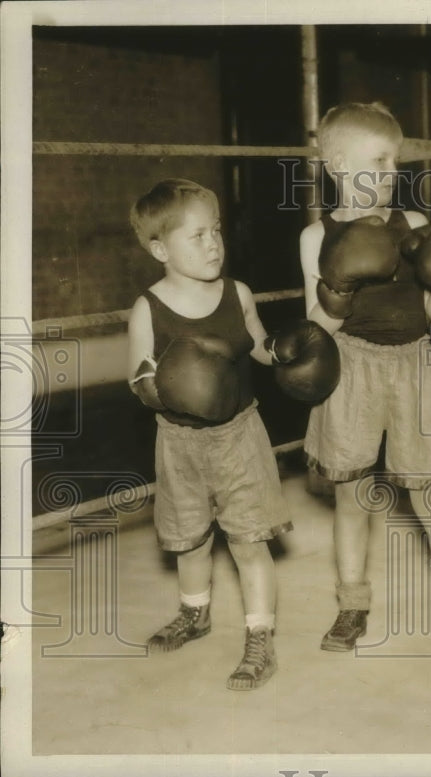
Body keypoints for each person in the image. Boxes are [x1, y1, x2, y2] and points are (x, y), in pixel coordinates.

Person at [300, 102, 431, 667]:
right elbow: (317, 328)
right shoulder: (317, 237)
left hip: (413, 365)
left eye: (395, 162)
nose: (391, 174)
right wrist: (340, 283)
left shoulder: (411, 225)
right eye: (377, 161)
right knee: (352, 496)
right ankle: (352, 606)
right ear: (336, 164)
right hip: (350, 366)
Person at [127, 178, 292, 691]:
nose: (213, 243)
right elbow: (136, 377)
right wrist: (169, 387)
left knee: (248, 540)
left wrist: (288, 352)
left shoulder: (236, 293)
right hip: (178, 441)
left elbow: (260, 345)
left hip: (240, 434)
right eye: (197, 235)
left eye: (216, 230)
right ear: (159, 249)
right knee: (189, 538)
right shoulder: (148, 308)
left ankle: (260, 637)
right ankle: (194, 613)